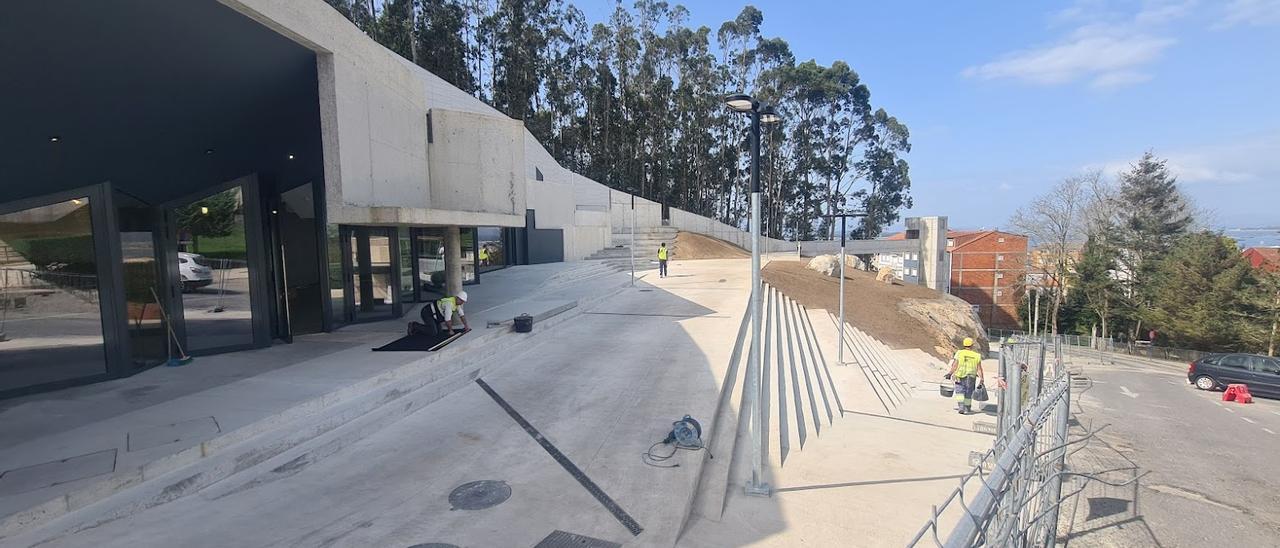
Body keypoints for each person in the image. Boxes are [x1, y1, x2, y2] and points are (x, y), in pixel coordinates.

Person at [944, 337, 985, 415]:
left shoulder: (959, 353)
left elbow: (955, 365)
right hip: (971, 377)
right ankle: (967, 407)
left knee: (959, 391)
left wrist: (950, 373)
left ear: (964, 345)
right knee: (968, 392)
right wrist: (982, 378)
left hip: (959, 375)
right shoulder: (977, 355)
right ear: (972, 345)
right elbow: (979, 368)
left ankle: (961, 407)